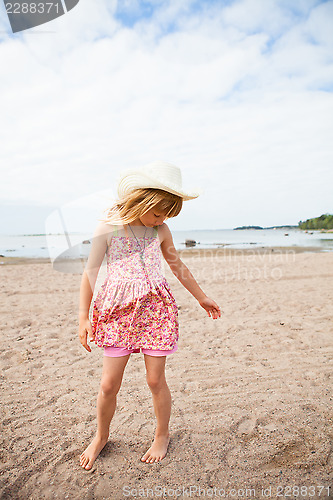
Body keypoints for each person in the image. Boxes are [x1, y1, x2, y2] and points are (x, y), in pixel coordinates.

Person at [78, 161, 221, 470]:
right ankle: (101, 436)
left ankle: (161, 434)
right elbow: (90, 273)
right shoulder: (108, 227)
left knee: (156, 379)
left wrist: (201, 297)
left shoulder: (161, 230)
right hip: (117, 312)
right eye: (159, 211)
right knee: (107, 385)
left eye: (169, 213)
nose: (163, 218)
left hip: (156, 310)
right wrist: (83, 318)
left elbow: (177, 266)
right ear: (142, 199)